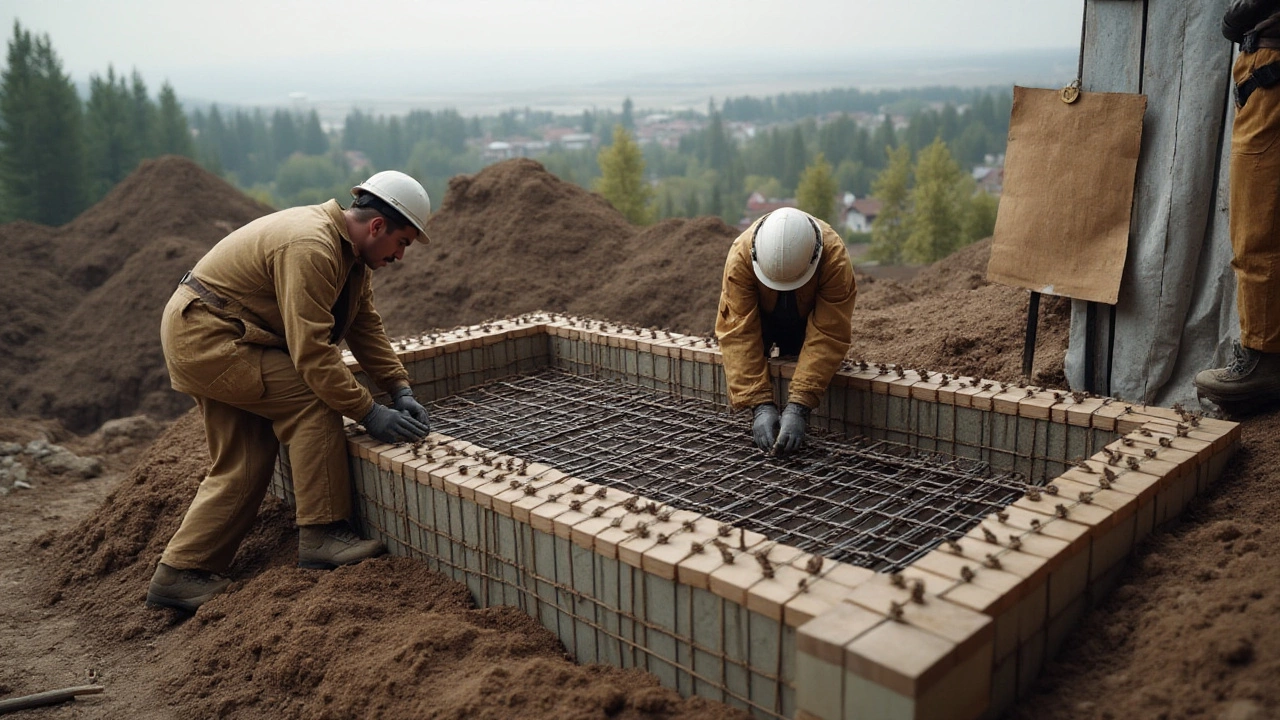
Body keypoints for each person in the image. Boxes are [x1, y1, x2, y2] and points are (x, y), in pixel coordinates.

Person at [146, 170, 435, 613]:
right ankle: (322, 534)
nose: (399, 256)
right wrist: (369, 413)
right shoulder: (313, 246)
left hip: (212, 335)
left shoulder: (350, 256)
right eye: (402, 244)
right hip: (211, 339)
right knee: (314, 402)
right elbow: (312, 355)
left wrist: (399, 388)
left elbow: (363, 323)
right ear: (377, 226)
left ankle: (180, 574)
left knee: (246, 457)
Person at [715, 207, 857, 454]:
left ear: (815, 257)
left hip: (808, 319)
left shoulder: (834, 258)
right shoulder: (741, 256)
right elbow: (739, 331)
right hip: (763, 319)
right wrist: (759, 404)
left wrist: (799, 405)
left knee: (808, 356)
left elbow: (828, 331)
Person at [1195, 1, 1280, 413]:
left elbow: (1236, 18)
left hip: (1272, 73)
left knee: (1257, 223)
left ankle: (1264, 359)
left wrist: (1237, 15)